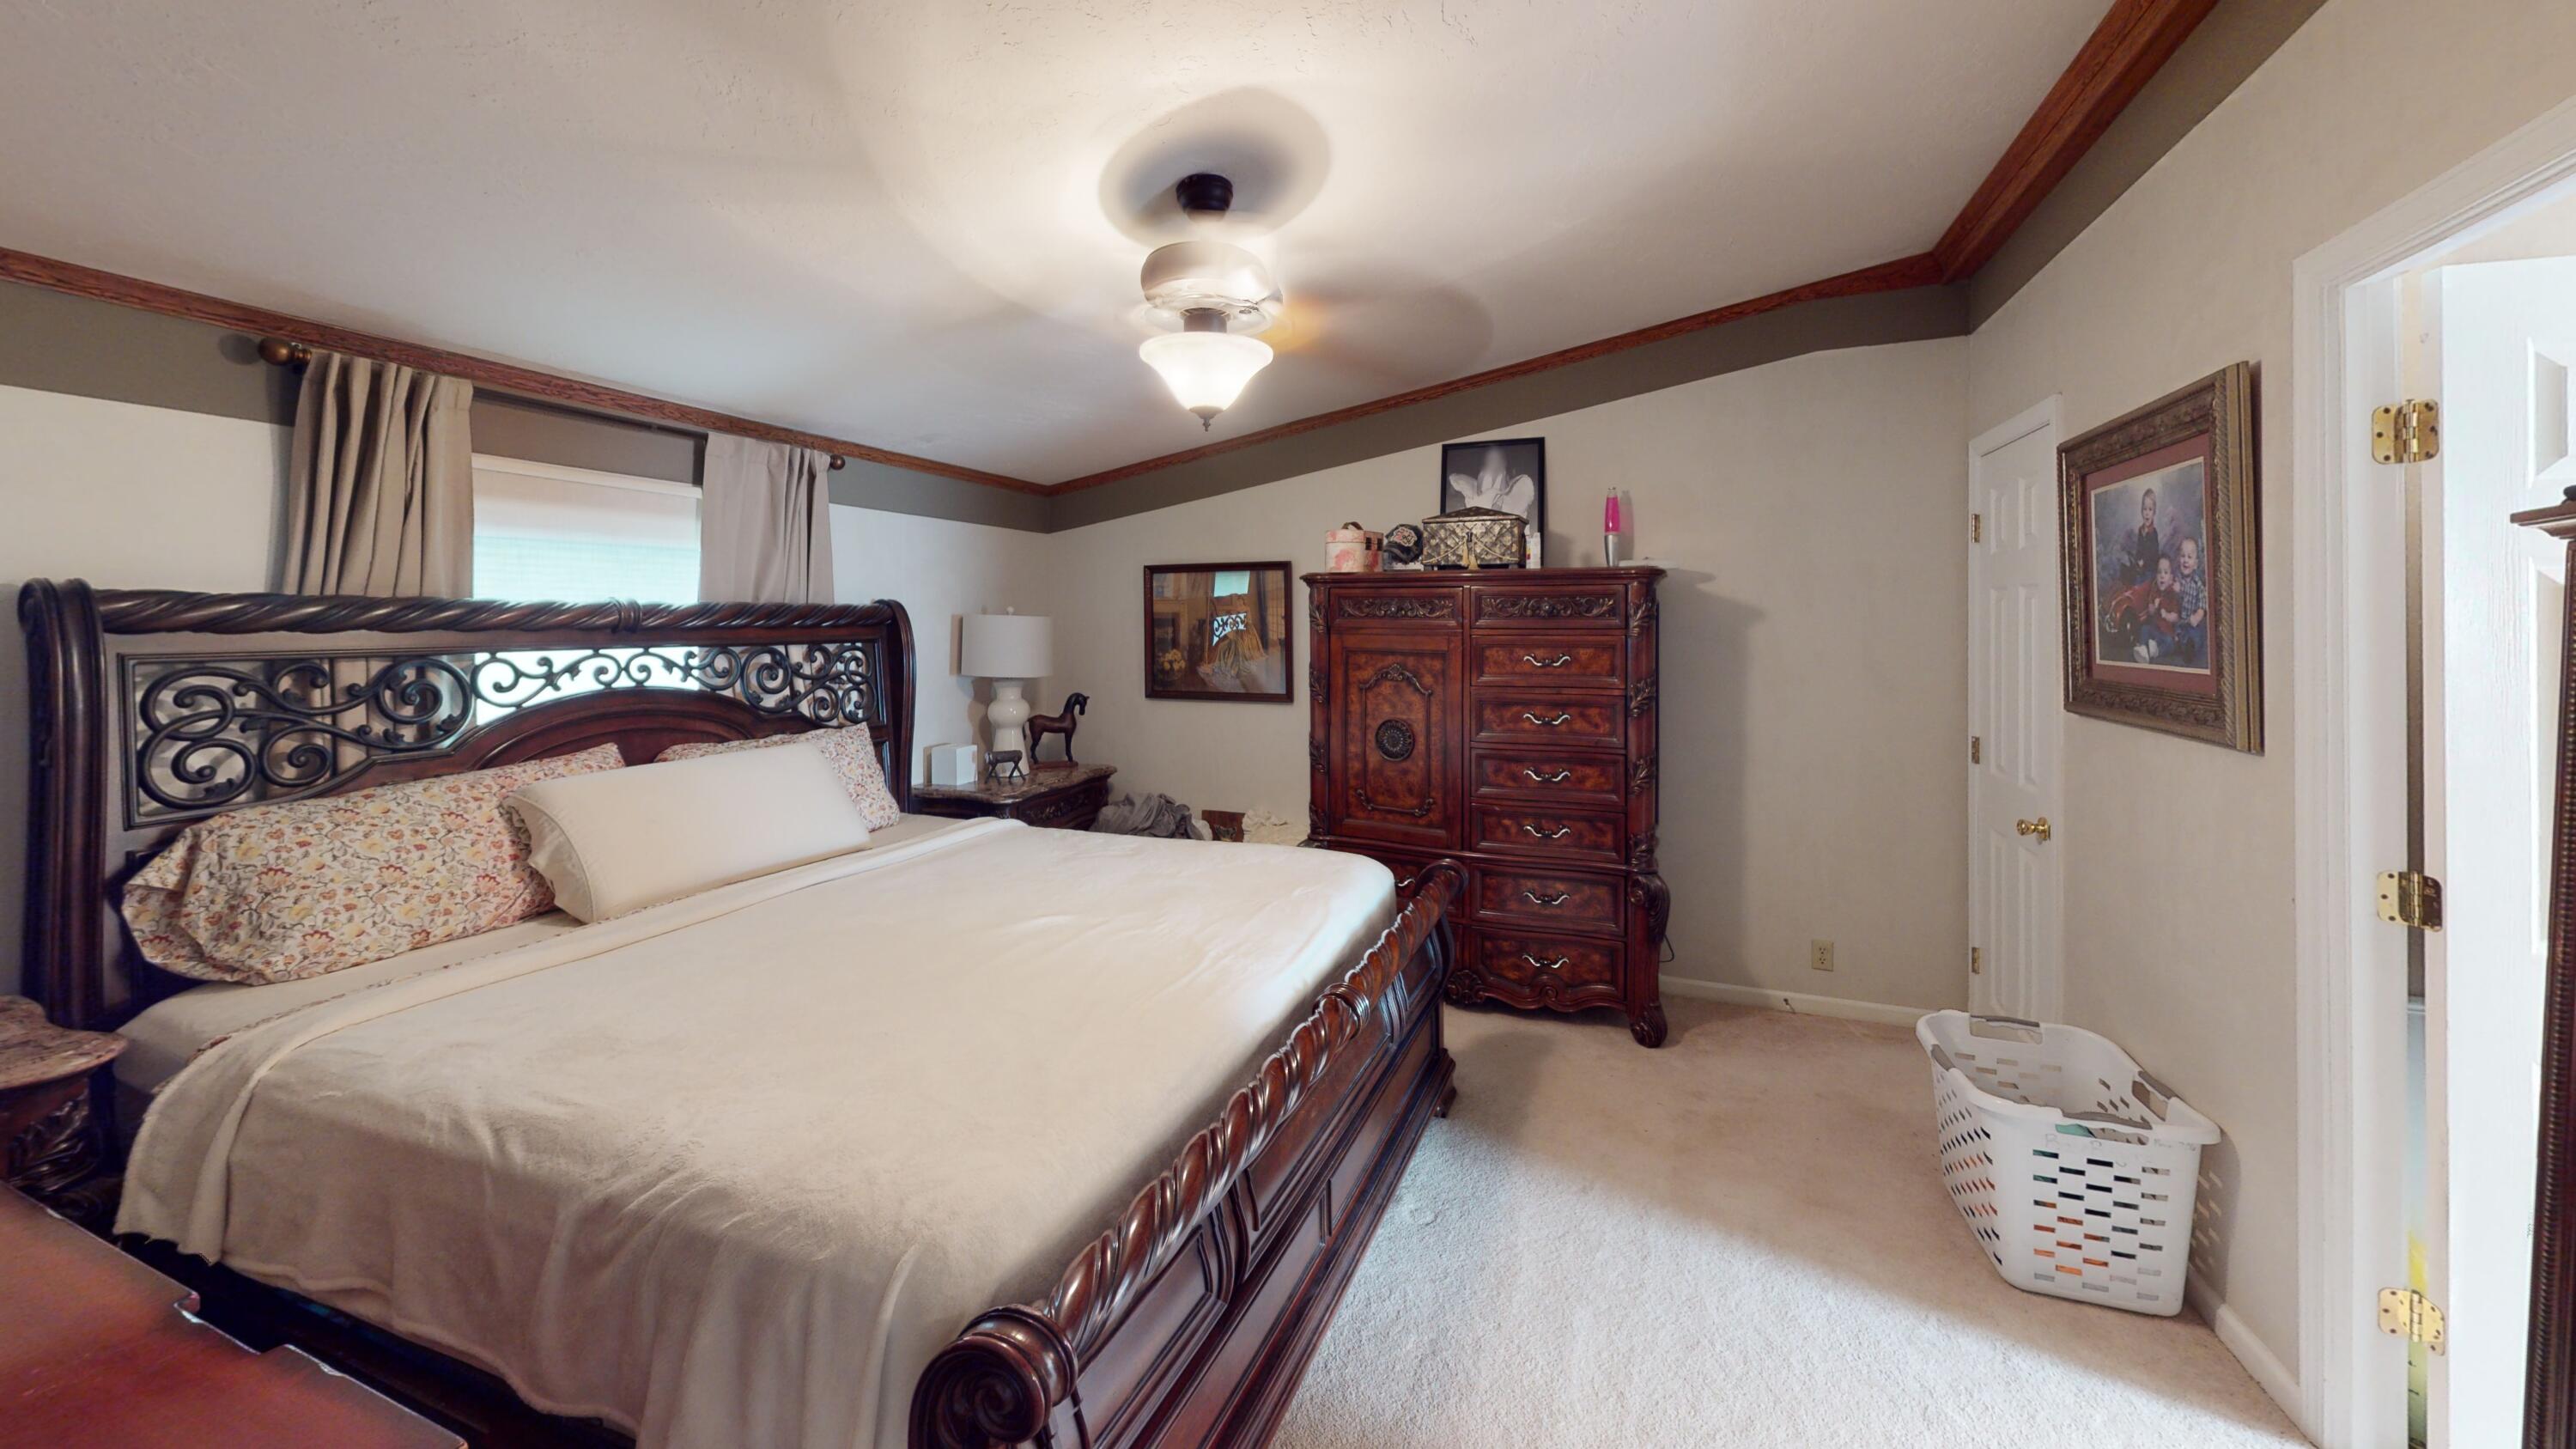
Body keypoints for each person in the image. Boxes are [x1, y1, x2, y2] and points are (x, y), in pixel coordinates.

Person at [2133, 554, 2182, 664]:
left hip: (2166, 633)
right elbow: (2150, 612)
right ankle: (2143, 647)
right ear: (2156, 575)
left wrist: (2166, 615)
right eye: (2159, 572)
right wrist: (2154, 607)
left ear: (2171, 578)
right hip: (2155, 629)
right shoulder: (2155, 590)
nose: (2162, 576)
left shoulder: (2172, 594)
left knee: (2170, 644)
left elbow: (2176, 617)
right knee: (2145, 629)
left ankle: (2154, 651)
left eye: (2166, 572)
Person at [2172, 534, 2208, 667]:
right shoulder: (2176, 578)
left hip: (2191, 622)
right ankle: (2178, 643)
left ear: (2196, 564)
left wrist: (2198, 616)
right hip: (2178, 621)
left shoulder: (2197, 583)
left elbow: (2202, 604)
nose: (2185, 561)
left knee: (2197, 635)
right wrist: (2174, 591)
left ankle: (2189, 648)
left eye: (2189, 557)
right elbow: (2169, 599)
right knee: (2173, 632)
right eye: (2183, 556)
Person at [2124, 489, 2163, 588]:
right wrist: (2137, 560)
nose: (2147, 513)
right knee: (2135, 583)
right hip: (2141, 570)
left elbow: (2154, 554)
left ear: (2154, 513)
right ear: (2141, 511)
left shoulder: (2154, 533)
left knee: (2148, 586)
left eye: (2150, 510)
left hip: (2151, 570)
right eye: (2145, 509)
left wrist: (2144, 561)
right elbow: (2139, 549)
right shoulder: (2140, 530)